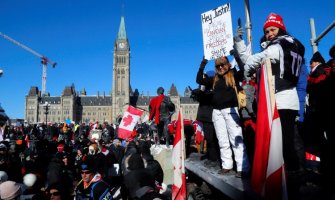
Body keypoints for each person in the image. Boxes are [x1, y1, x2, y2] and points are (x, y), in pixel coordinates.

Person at [233, 12, 306, 197]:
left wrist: (248, 69)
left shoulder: (280, 45)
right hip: (278, 100)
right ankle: (287, 179)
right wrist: (239, 43)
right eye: (266, 31)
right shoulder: (289, 44)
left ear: (280, 28)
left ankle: (291, 181)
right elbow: (253, 58)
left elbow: (253, 61)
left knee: (284, 143)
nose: (269, 34)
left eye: (272, 30)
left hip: (280, 99)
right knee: (282, 142)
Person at [196, 56, 250, 178]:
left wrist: (235, 55)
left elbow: (243, 69)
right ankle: (227, 165)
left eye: (223, 64)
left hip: (230, 110)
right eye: (218, 66)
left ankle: (243, 167)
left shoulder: (233, 75)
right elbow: (199, 80)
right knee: (222, 139)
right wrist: (203, 63)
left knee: (236, 138)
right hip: (217, 112)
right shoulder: (214, 79)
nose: (220, 67)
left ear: (228, 65)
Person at [306, 51, 335, 185]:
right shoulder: (325, 71)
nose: (310, 65)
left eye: (311, 63)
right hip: (323, 109)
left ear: (316, 63)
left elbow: (317, 91)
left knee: (324, 139)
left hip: (321, 109)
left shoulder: (320, 72)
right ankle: (327, 168)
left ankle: (327, 169)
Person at [191, 65, 220, 167]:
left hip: (208, 116)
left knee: (211, 138)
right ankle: (212, 157)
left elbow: (202, 99)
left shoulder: (209, 88)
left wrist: (199, 93)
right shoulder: (214, 87)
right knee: (213, 138)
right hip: (211, 116)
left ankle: (213, 159)